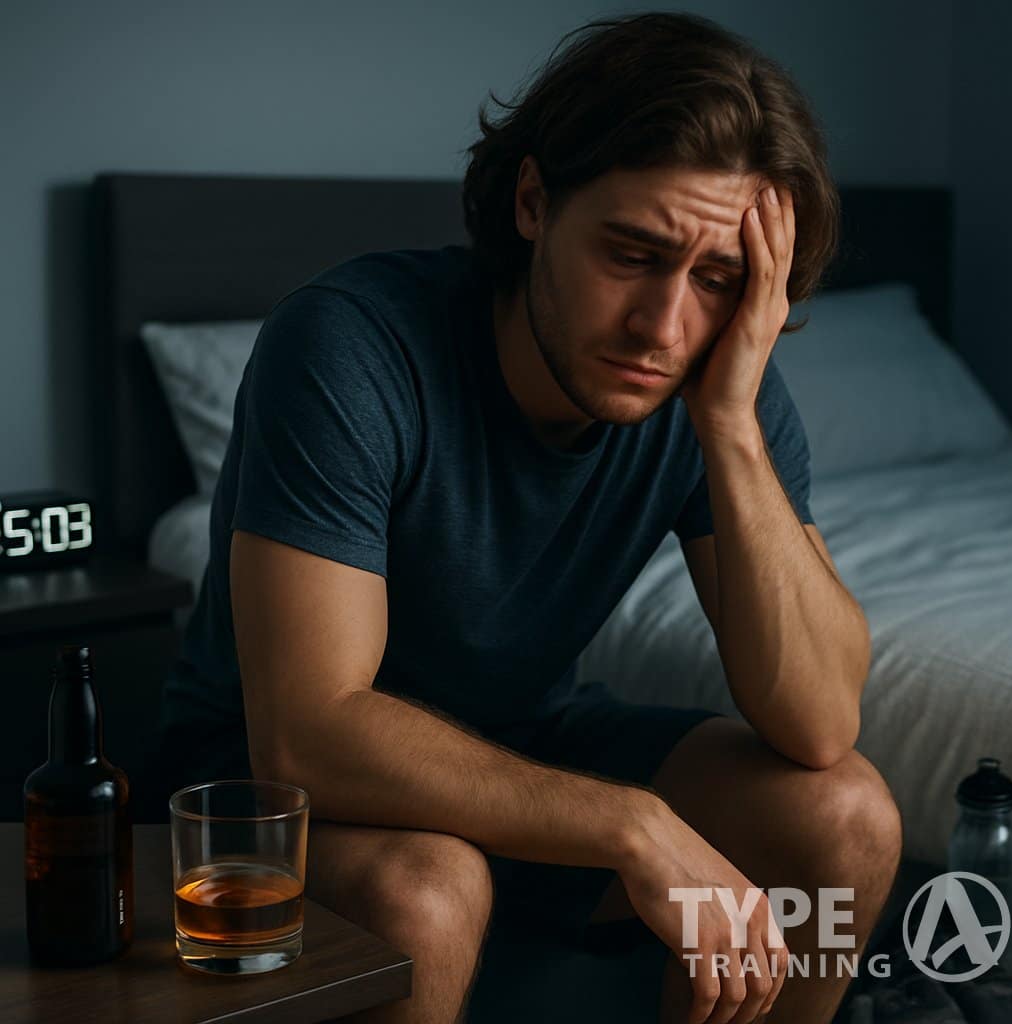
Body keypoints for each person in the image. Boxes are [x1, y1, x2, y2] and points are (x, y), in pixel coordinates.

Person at [158, 11, 902, 1023]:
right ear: (532, 202)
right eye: (633, 254)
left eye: (716, 279)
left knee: (844, 816)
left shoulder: (713, 376)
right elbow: (308, 731)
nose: (663, 324)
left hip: (528, 740)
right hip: (263, 792)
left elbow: (818, 721)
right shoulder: (348, 345)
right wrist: (630, 824)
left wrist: (728, 423)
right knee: (430, 885)